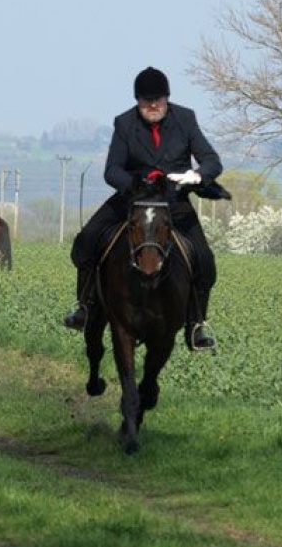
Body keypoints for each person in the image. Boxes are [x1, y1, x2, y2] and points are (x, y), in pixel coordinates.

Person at [63, 66, 224, 350]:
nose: (152, 106)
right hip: (133, 200)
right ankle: (85, 307)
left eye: (157, 100)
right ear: (137, 100)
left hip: (173, 202)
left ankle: (196, 324)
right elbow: (112, 170)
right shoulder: (124, 123)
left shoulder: (185, 119)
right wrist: (134, 183)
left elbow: (211, 159)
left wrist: (195, 176)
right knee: (86, 241)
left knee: (205, 261)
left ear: (167, 98)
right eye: (146, 101)